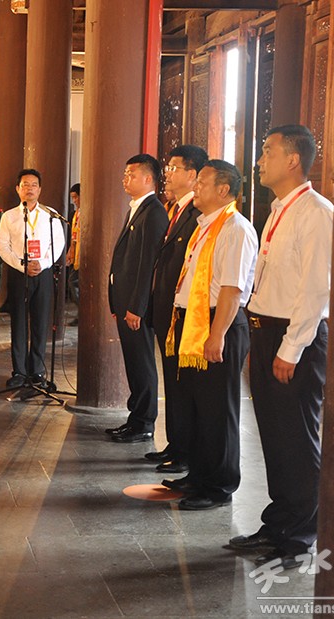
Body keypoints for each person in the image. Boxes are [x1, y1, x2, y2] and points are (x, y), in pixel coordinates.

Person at [230, 125, 333, 568]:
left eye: (268, 151)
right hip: (268, 328)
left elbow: (315, 288)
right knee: (274, 435)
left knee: (296, 436)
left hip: (298, 336)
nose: (259, 160)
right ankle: (279, 521)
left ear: (293, 160)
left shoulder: (316, 211)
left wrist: (290, 348)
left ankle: (300, 533)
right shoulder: (278, 209)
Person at [162, 160, 257, 510]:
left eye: (202, 181)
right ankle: (199, 475)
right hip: (195, 321)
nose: (195, 187)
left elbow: (232, 290)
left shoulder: (235, 229)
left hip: (219, 324)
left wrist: (217, 336)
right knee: (196, 407)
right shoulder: (205, 226)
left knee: (218, 410)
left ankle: (218, 485)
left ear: (223, 190)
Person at [145, 145, 208, 473]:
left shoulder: (196, 216)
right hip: (166, 311)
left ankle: (185, 451)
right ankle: (175, 444)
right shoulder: (175, 210)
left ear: (193, 175)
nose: (167, 173)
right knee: (172, 382)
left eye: (173, 168)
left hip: (184, 314)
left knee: (183, 385)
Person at [105, 154, 169, 443]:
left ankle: (144, 422)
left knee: (142, 362)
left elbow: (147, 265)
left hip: (136, 306)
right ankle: (135, 418)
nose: (125, 178)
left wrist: (136, 307)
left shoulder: (154, 212)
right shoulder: (137, 209)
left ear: (148, 179)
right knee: (133, 362)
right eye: (125, 173)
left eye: (131, 174)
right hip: (126, 302)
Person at [0, 169, 65, 388]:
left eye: (34, 184)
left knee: (40, 321)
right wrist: (22, 265)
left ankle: (36, 370)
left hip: (43, 274)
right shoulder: (9, 216)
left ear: (40, 189)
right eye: (25, 184)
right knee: (19, 321)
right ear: (18, 189)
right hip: (19, 274)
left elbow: (58, 244)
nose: (29, 188)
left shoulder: (51, 215)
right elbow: (3, 247)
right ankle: (19, 371)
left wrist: (43, 264)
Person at [66, 184, 82, 326]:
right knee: (72, 283)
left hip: (84, 257)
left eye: (76, 197)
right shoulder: (76, 214)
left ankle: (82, 312)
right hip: (76, 256)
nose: (74, 200)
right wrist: (70, 250)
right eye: (73, 198)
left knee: (74, 283)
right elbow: (74, 236)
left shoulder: (86, 212)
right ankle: (80, 312)